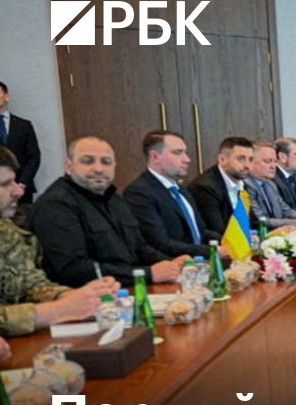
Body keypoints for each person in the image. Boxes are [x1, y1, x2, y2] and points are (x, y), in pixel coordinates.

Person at [27, 136, 186, 287]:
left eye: (106, 162)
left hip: (126, 289)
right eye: (88, 161)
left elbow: (139, 248)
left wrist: (170, 263)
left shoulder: (115, 200)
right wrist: (146, 274)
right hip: (83, 299)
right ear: (69, 166)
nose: (98, 169)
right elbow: (73, 270)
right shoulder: (55, 205)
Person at [0, 145, 118, 336]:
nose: (18, 191)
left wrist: (73, 296)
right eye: (5, 184)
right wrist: (58, 310)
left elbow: (32, 285)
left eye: (14, 181)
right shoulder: (55, 204)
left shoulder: (6, 230)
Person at [124, 130, 221, 258]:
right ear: (155, 157)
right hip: (173, 265)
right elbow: (160, 243)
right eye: (177, 153)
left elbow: (200, 231)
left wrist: (229, 242)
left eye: (185, 152)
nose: (187, 159)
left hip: (200, 264)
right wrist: (211, 251)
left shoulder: (181, 190)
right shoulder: (139, 193)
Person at [188, 136, 258, 235]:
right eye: (241, 159)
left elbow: (251, 222)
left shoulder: (241, 184)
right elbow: (218, 231)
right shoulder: (205, 188)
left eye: (250, 159)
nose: (247, 165)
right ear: (222, 160)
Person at [246, 139, 296, 229]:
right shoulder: (246, 185)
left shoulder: (270, 184)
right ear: (250, 162)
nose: (273, 166)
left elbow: (286, 211)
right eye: (267, 161)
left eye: (274, 161)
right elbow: (260, 221)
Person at [0, 81, 41, 212]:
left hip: (23, 188)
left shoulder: (24, 125)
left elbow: (34, 157)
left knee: (24, 220)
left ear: (7, 96)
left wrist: (22, 184)